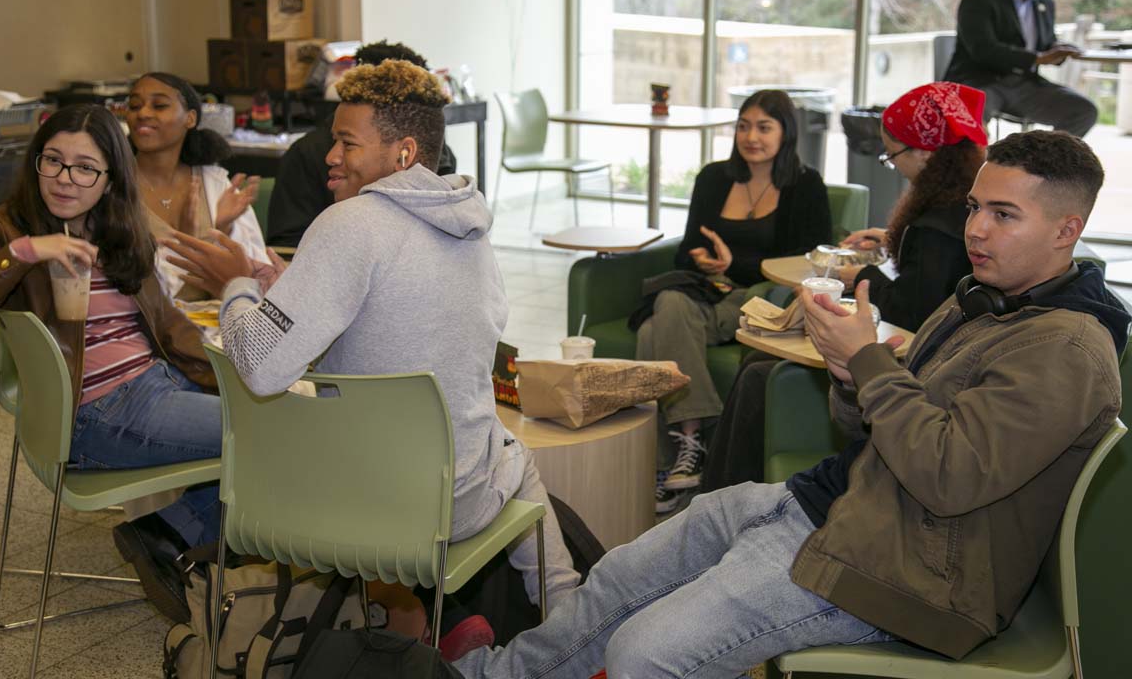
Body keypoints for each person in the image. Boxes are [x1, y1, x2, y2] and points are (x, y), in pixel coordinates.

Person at [452, 129, 1127, 678]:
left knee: (645, 656)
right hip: (840, 508)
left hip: (902, 575)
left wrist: (867, 361)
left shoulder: (1065, 350)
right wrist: (847, 373)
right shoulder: (986, 297)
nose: (976, 229)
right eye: (976, 206)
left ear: (1067, 230)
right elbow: (881, 427)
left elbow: (948, 476)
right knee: (622, 573)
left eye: (1003, 215)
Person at [164, 60, 580, 617]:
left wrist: (234, 284)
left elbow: (260, 367)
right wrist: (287, 290)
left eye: (346, 143)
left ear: (403, 153)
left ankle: (380, 621)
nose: (330, 156)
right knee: (511, 454)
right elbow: (405, 320)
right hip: (452, 499)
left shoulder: (348, 224)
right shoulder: (472, 227)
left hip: (360, 504)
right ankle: (570, 616)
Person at [0, 105, 225, 623]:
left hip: (157, 384)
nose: (66, 179)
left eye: (85, 167)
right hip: (99, 413)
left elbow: (168, 324)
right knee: (274, 434)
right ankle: (188, 546)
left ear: (111, 177)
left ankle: (174, 534)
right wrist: (22, 252)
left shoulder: (117, 228)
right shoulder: (1, 229)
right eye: (53, 161)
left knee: (271, 416)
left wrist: (235, 367)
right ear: (35, 161)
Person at [701, 81, 988, 492]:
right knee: (755, 369)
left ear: (925, 151)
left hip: (914, 372)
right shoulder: (957, 207)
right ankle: (726, 491)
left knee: (757, 374)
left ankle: (723, 493)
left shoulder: (934, 227)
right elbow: (931, 280)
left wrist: (860, 279)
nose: (893, 163)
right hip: (925, 358)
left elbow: (911, 312)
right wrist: (891, 241)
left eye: (893, 154)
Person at [634, 89, 831, 509]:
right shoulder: (713, 178)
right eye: (743, 126)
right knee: (668, 305)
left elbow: (807, 261)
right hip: (705, 292)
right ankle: (691, 444)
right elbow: (685, 248)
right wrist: (704, 261)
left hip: (762, 296)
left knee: (656, 324)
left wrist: (733, 262)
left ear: (785, 132)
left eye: (763, 127)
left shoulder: (805, 185)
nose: (751, 136)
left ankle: (672, 459)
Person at [266, 40, 458, 248]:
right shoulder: (307, 155)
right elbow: (287, 245)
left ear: (405, 153)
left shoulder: (438, 161)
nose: (331, 157)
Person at [127, 72, 269, 298]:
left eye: (159, 105)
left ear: (190, 119)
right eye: (134, 106)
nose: (143, 113)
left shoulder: (215, 184)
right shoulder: (113, 187)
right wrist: (192, 242)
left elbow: (258, 277)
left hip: (215, 326)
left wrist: (222, 229)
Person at [944, 0, 1097, 137]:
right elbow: (983, 50)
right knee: (971, 119)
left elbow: (1045, 44)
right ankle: (975, 166)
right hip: (981, 81)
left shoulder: (1045, 3)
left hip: (1025, 85)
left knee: (1084, 111)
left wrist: (1057, 49)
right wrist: (1037, 58)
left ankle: (1042, 165)